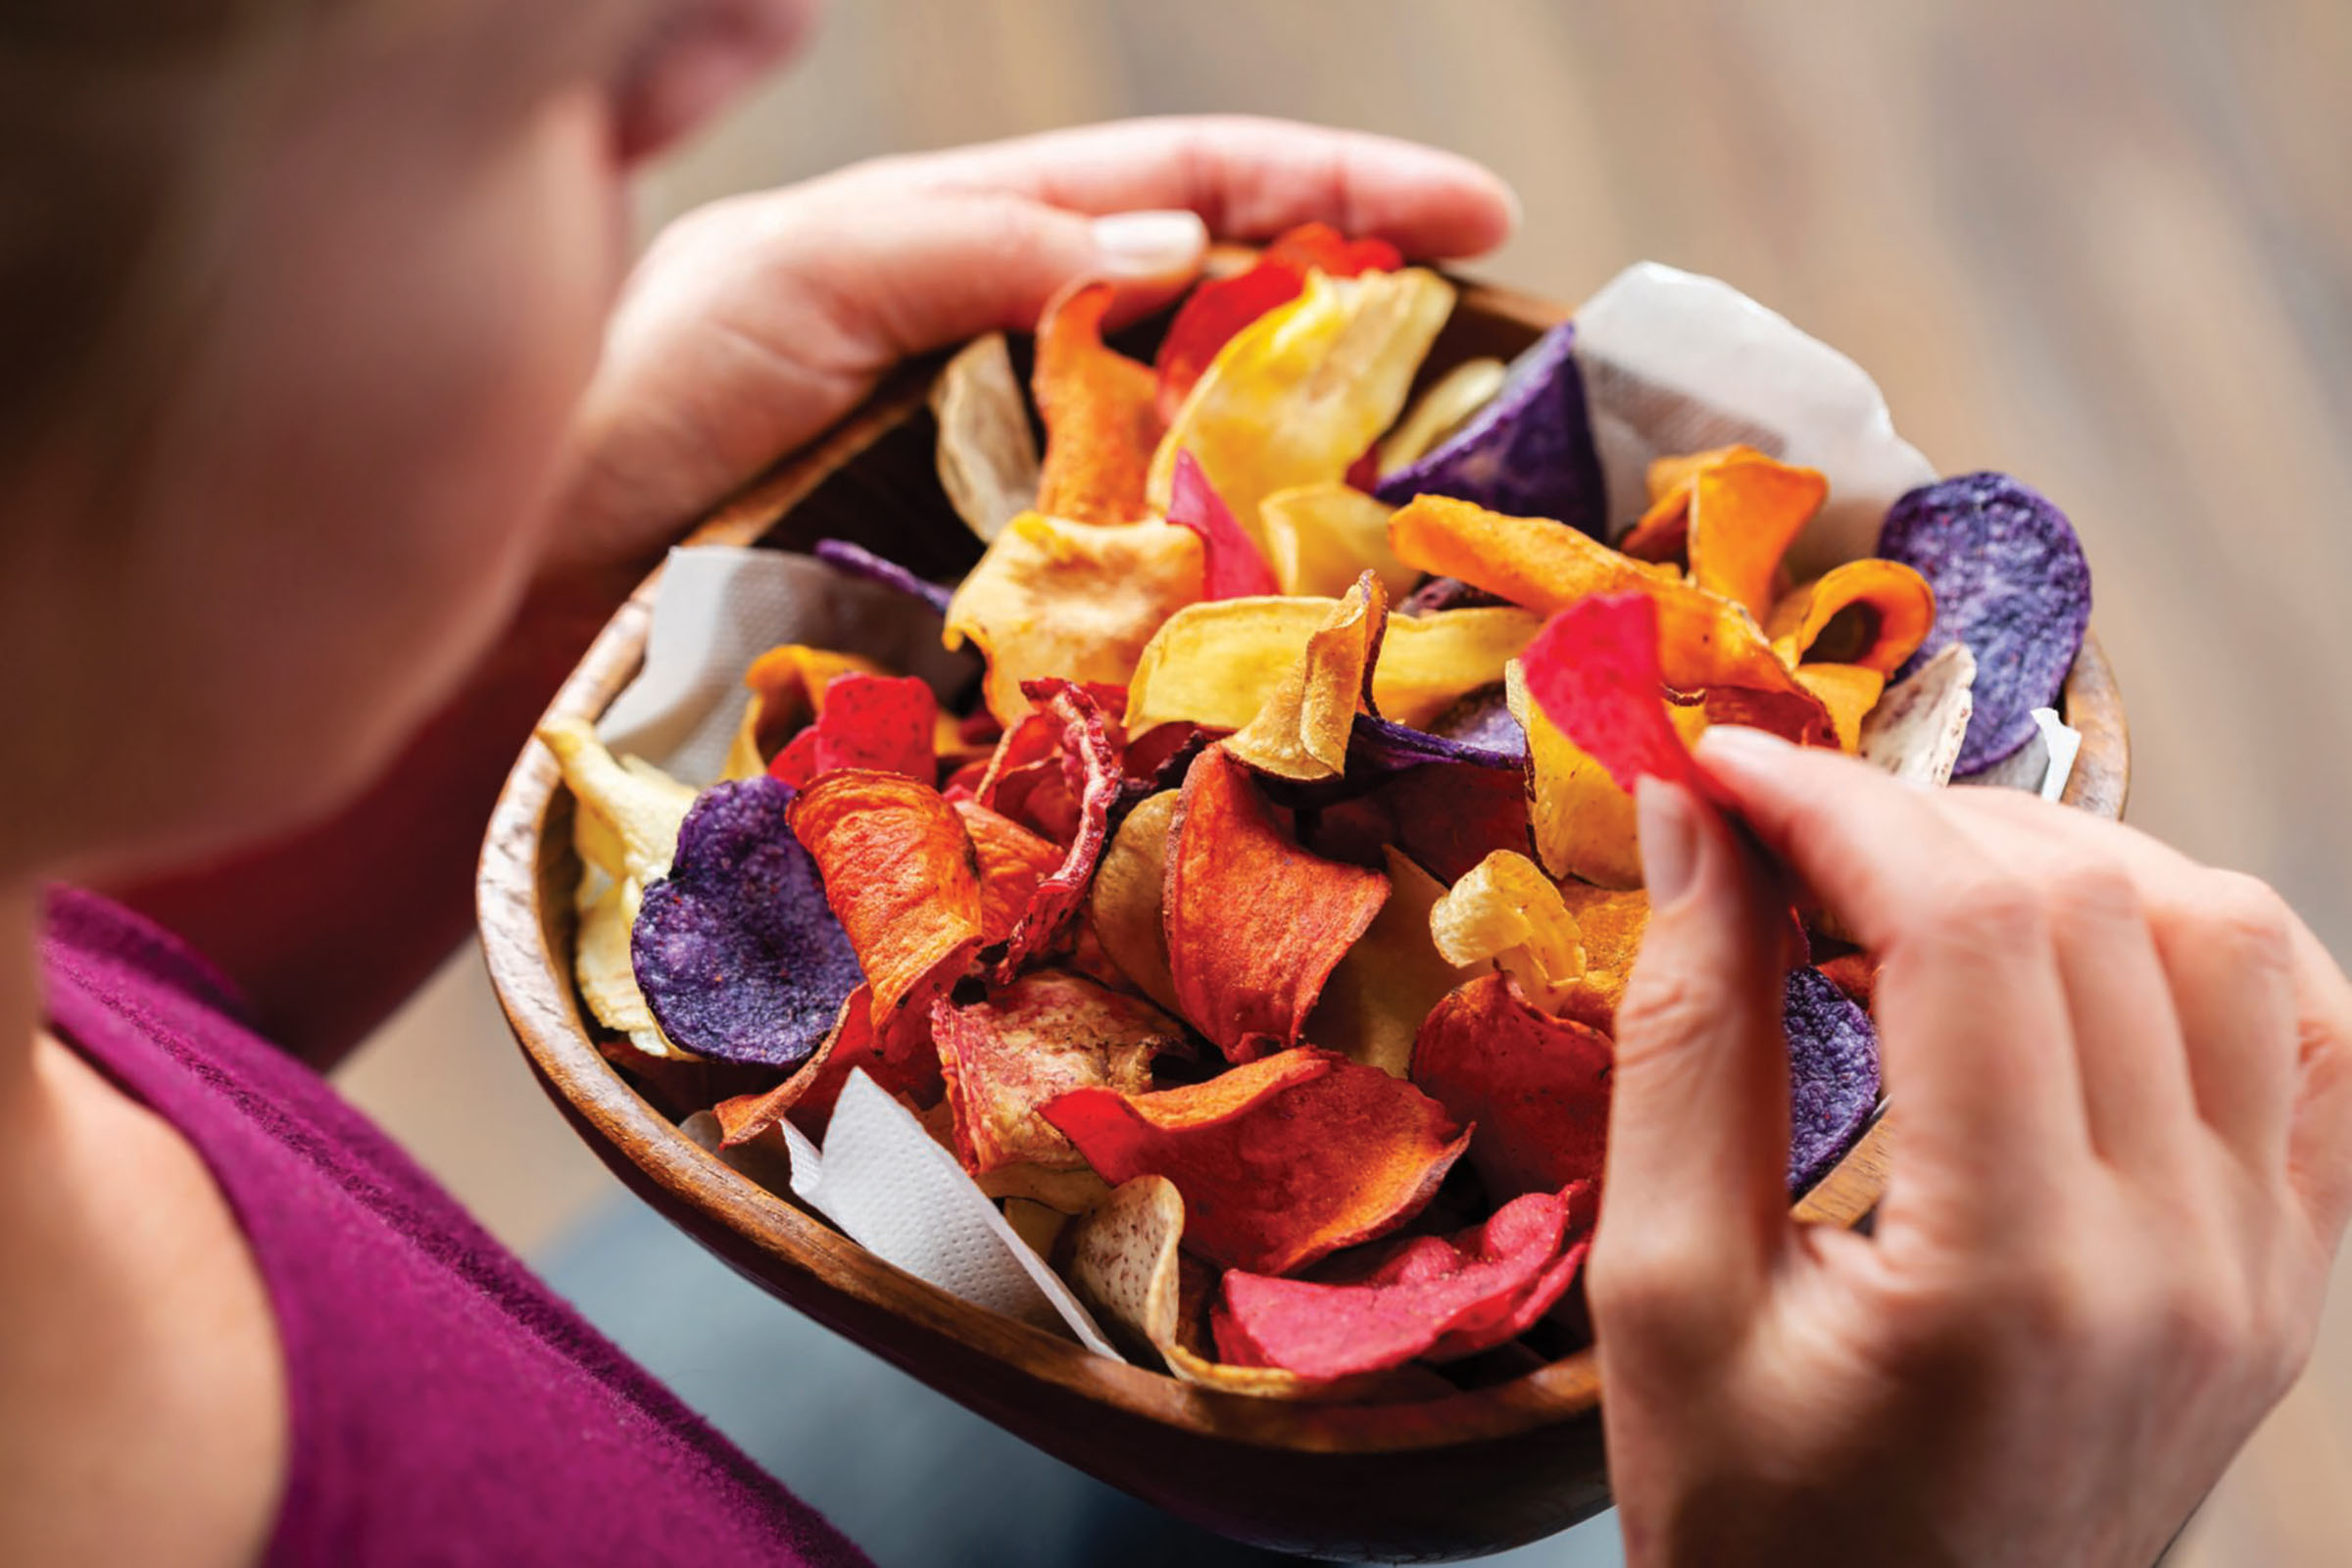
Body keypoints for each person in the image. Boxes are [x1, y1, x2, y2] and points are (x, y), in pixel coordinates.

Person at [3, 2, 2345, 1564]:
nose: (749, 38)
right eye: (547, 92)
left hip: (491, 1347)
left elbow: (122, 1009)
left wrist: (498, 600)